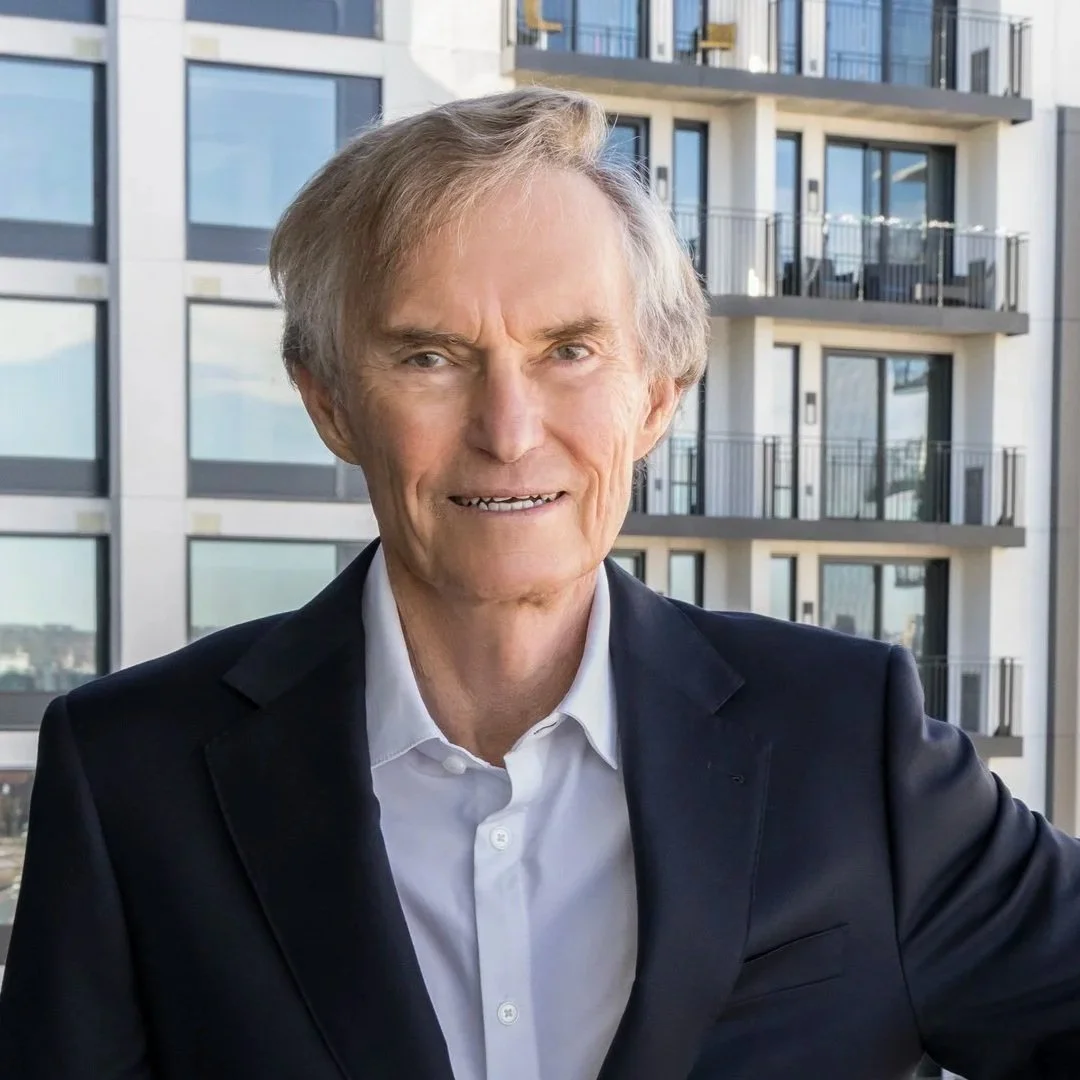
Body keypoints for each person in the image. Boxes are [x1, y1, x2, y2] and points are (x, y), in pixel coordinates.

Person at [1, 87, 1079, 1080]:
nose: (508, 433)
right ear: (329, 402)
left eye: (569, 351)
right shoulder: (130, 776)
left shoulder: (853, 738)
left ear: (656, 394)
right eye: (429, 356)